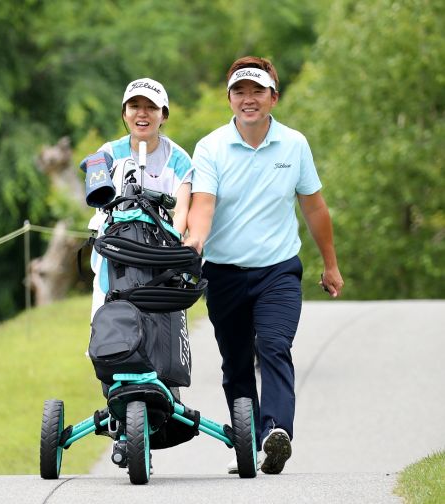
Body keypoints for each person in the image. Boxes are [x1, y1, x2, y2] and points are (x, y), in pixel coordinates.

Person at [184, 56, 344, 475]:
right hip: (222, 273)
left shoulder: (294, 145)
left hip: (278, 271)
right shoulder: (211, 147)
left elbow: (314, 208)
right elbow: (202, 206)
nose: (248, 99)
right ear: (230, 99)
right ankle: (250, 446)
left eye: (257, 91)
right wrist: (193, 244)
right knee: (236, 363)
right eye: (240, 91)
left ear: (274, 97)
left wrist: (331, 265)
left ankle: (276, 432)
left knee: (273, 345)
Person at [87, 78, 193, 320]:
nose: (142, 114)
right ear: (124, 113)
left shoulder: (179, 159)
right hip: (114, 260)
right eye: (134, 106)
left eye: (151, 107)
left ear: (163, 115)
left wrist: (167, 255)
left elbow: (182, 212)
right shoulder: (108, 153)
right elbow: (99, 204)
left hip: (161, 260)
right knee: (111, 336)